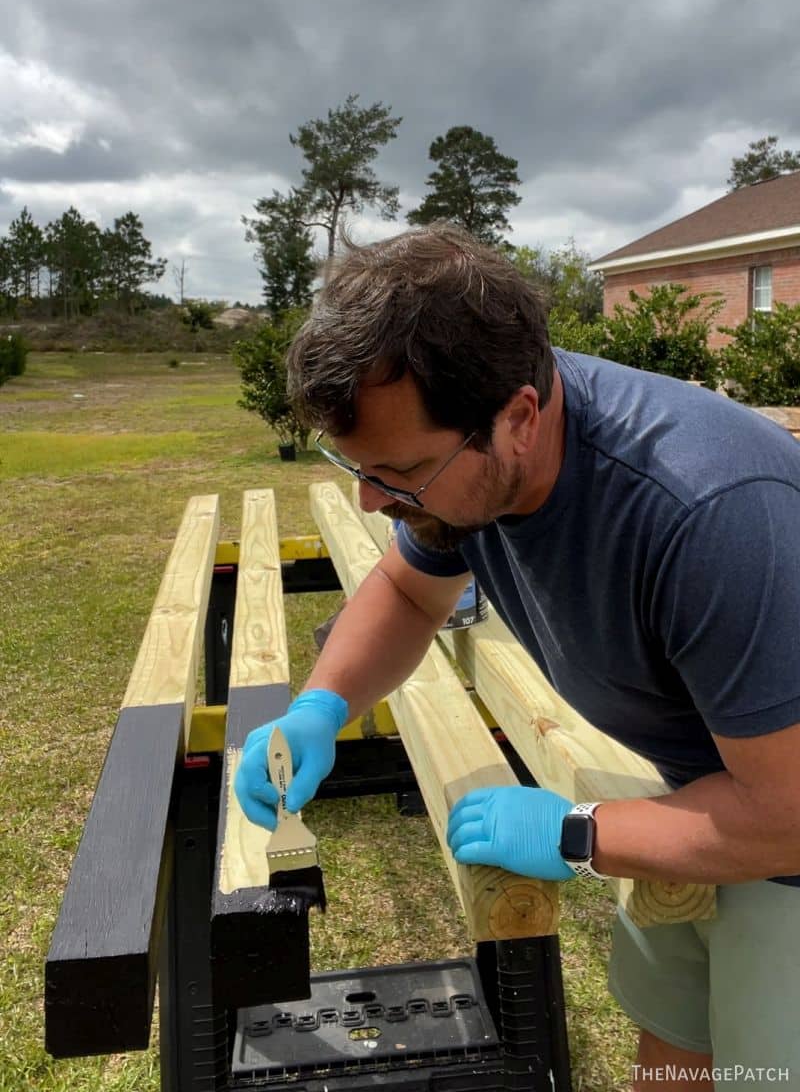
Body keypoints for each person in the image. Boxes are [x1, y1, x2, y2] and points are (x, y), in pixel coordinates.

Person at [235, 224, 800, 1091]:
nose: (373, 498)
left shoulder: (711, 515)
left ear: (521, 420)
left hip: (783, 835)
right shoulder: (477, 438)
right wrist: (322, 705)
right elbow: (406, 592)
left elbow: (785, 815)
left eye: (402, 472)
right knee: (677, 1038)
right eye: (358, 468)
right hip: (703, 789)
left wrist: (580, 833)